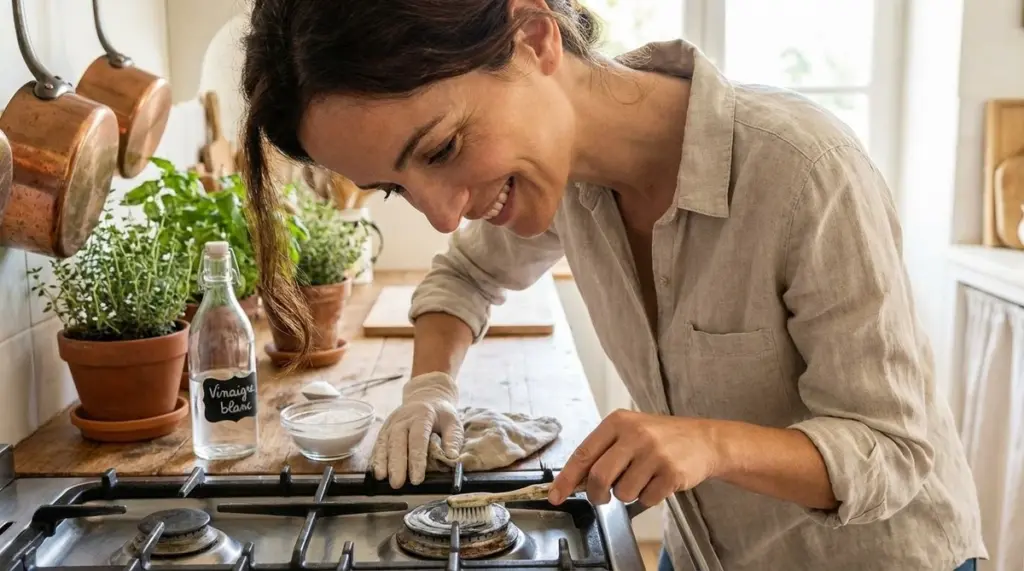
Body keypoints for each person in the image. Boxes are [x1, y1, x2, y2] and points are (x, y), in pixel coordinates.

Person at [237, 0, 987, 569]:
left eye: (442, 148)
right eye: (396, 188)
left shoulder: (804, 172)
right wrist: (429, 386)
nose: (440, 212)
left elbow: (892, 450)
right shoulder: (561, 181)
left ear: (534, 39)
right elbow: (463, 274)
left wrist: (710, 443)